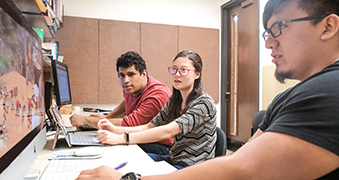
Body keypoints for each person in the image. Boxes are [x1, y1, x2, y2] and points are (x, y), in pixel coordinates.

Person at [76, 0, 339, 179]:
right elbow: (241, 161)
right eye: (267, 32)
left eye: (279, 28)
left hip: (186, 162)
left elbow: (243, 169)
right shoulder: (287, 98)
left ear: (328, 26)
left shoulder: (330, 90)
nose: (269, 42)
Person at [95, 50, 217, 170]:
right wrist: (115, 129)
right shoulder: (175, 100)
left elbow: (168, 131)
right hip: (174, 158)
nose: (177, 74)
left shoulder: (204, 103)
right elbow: (150, 126)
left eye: (183, 70)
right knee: (130, 162)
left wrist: (122, 138)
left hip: (194, 168)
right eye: (174, 69)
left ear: (197, 74)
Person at [70, 51, 173, 155]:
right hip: (142, 136)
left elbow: (129, 124)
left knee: (113, 147)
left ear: (144, 74)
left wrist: (85, 119)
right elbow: (127, 102)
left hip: (163, 146)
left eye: (131, 74)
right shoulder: (132, 87)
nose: (125, 80)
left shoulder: (157, 96)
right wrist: (107, 117)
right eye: (121, 75)